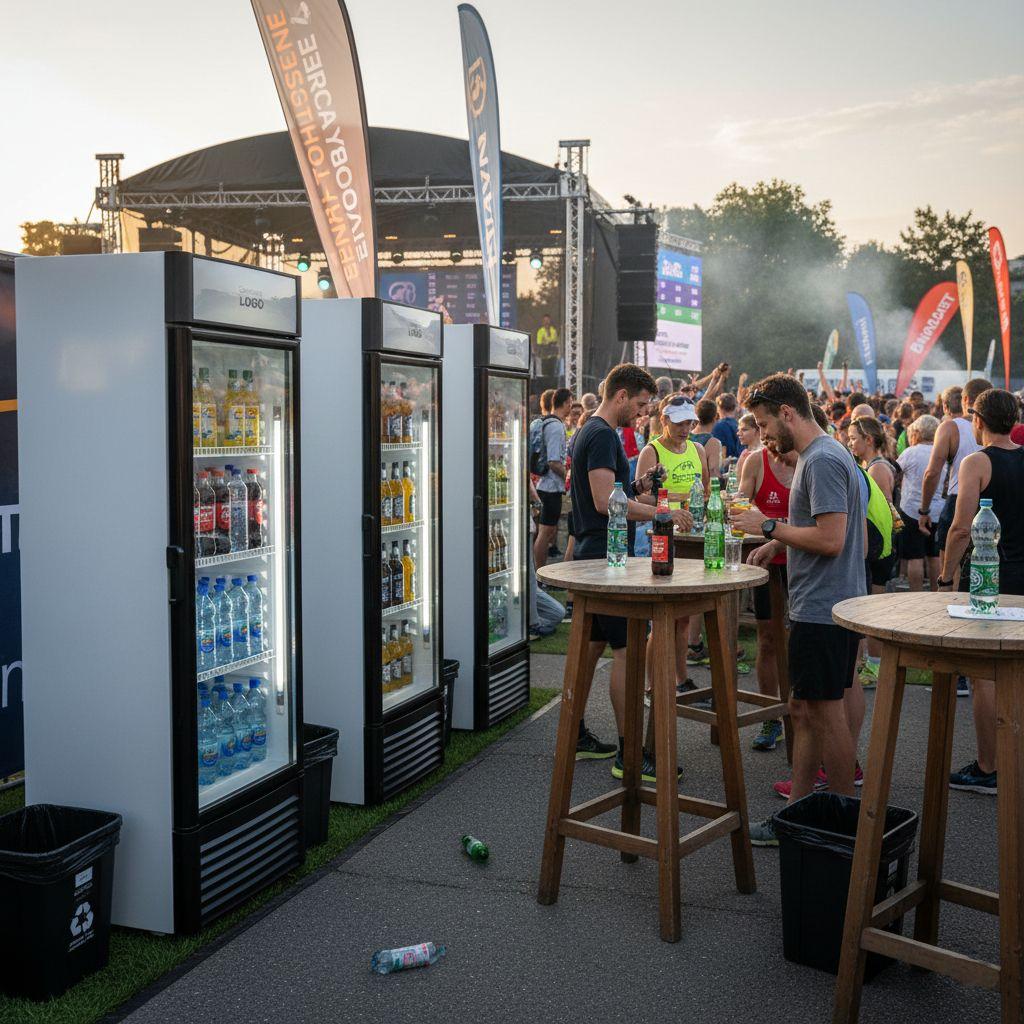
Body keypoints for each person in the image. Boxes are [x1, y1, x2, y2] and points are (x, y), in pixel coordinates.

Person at [730, 373, 866, 845]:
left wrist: (768, 527)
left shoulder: (822, 459)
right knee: (803, 709)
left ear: (788, 413)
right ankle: (796, 815)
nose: (764, 435)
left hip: (823, 609)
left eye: (766, 424)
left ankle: (846, 827)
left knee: (825, 714)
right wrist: (780, 542)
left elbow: (832, 539)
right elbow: (823, 529)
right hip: (827, 602)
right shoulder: (825, 454)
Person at [568, 363, 691, 775]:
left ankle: (575, 733)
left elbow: (611, 492)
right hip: (605, 553)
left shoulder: (592, 429)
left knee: (592, 648)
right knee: (628, 653)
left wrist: (639, 485)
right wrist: (663, 513)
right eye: (639, 405)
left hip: (595, 549)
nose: (641, 414)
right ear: (621, 395)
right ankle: (631, 754)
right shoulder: (602, 433)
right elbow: (606, 504)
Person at [938, 388, 1024, 795]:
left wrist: (944, 576)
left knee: (984, 675)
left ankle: (990, 766)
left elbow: (960, 527)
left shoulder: (977, 461)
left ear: (978, 421)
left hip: (993, 576)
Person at [634, 396, 709, 698]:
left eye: (689, 422)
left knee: (684, 617)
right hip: (662, 537)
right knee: (662, 616)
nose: (685, 429)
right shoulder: (651, 451)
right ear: (664, 420)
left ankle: (680, 678)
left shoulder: (698, 448)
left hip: (692, 538)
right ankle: (651, 686)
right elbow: (639, 498)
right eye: (679, 423)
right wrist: (677, 498)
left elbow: (704, 490)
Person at [738, 442, 796, 752]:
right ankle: (770, 715)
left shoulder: (807, 457)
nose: (765, 435)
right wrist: (757, 517)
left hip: (802, 562)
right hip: (765, 563)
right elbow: (740, 503)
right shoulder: (756, 461)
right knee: (767, 640)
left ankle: (800, 712)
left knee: (799, 639)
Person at [919, 380, 992, 582]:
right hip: (990, 502)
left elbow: (931, 473)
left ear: (966, 399)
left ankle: (949, 604)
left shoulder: (950, 428)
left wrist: (924, 510)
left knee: (950, 563)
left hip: (958, 499)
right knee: (986, 562)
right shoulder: (999, 428)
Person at [848, 415, 897, 685]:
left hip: (878, 547)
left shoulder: (877, 468)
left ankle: (876, 667)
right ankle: (872, 664)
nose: (850, 443)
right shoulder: (870, 465)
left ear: (868, 439)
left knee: (871, 613)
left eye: (854, 438)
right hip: (879, 545)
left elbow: (884, 506)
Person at [897, 415, 944, 592]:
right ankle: (936, 593)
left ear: (916, 432)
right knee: (935, 556)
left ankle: (915, 594)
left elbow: (895, 471)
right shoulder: (942, 452)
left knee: (914, 556)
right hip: (938, 509)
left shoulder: (910, 452)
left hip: (911, 510)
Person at [533, 387, 571, 569]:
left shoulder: (548, 422)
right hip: (550, 487)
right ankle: (538, 574)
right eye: (571, 402)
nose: (571, 406)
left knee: (544, 532)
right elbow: (554, 461)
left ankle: (537, 573)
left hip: (546, 485)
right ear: (565, 403)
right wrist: (569, 477)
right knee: (545, 532)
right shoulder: (555, 426)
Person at [691, 399, 723, 479]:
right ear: (715, 416)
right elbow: (713, 473)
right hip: (700, 488)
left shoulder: (684, 437)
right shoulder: (713, 443)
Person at [712, 392, 741, 459]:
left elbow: (720, 454)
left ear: (718, 408)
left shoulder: (718, 427)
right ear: (734, 407)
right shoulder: (741, 425)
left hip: (726, 466)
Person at [535, 313, 559, 378]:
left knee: (552, 374)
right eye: (545, 320)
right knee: (545, 374)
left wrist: (547, 341)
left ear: (550, 321)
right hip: (544, 356)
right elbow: (539, 343)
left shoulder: (553, 330)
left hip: (552, 356)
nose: (546, 322)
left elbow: (555, 341)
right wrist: (548, 343)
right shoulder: (540, 331)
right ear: (543, 322)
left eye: (548, 320)